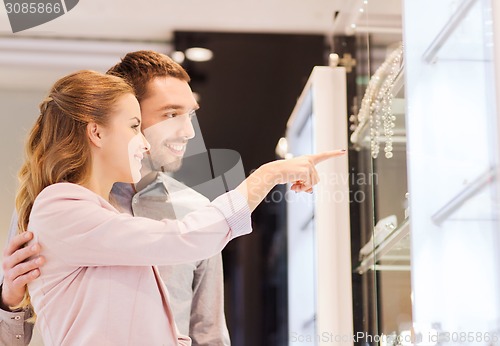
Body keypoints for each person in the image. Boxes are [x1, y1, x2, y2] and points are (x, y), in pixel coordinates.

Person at [6, 69, 345, 345]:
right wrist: (268, 174)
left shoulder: (191, 209)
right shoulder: (58, 207)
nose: (187, 132)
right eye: (136, 124)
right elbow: (183, 238)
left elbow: (204, 331)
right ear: (97, 132)